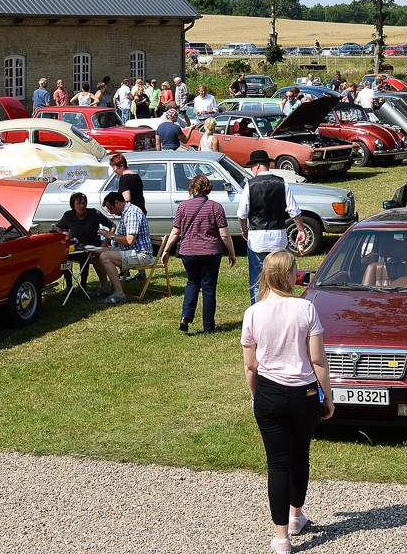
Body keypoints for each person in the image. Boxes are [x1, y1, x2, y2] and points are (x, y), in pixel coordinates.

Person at [241, 250, 334, 554]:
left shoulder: (253, 312)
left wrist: (255, 396)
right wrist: (328, 396)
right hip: (303, 393)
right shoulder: (305, 308)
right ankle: (295, 516)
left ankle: (282, 538)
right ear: (288, 275)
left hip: (269, 392)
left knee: (277, 464)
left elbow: (250, 365)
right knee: (299, 455)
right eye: (295, 270)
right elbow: (318, 360)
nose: (298, 275)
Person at [160, 173, 235, 333]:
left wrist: (166, 250)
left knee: (192, 282)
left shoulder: (183, 207)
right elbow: (224, 235)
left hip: (189, 252)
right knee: (209, 288)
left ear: (192, 189)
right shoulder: (216, 207)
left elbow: (175, 232)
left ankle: (185, 316)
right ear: (208, 189)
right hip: (211, 252)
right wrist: (232, 252)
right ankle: (208, 327)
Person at [238, 150, 305, 305]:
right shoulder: (281, 182)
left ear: (257, 165)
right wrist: (300, 229)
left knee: (257, 279)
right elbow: (294, 210)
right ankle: (281, 306)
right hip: (278, 236)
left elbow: (242, 214)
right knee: (281, 276)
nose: (252, 170)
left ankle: (257, 310)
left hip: (257, 237)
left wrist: (244, 229)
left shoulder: (250, 184)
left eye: (252, 166)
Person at [55, 192, 117, 298]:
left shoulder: (94, 214)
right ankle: (69, 285)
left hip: (93, 249)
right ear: (73, 205)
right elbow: (59, 227)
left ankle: (83, 285)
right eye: (78, 204)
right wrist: (65, 239)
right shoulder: (68, 216)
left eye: (84, 203)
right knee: (64, 256)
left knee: (85, 256)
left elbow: (112, 225)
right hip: (76, 248)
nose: (82, 206)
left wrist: (106, 241)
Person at [97, 191, 154, 304]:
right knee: (96, 252)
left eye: (111, 209)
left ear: (117, 203)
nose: (111, 213)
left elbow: (129, 240)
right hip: (129, 251)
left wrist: (110, 235)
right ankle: (105, 287)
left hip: (141, 254)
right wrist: (106, 241)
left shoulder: (132, 213)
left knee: (105, 256)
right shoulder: (125, 213)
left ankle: (119, 294)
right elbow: (119, 238)